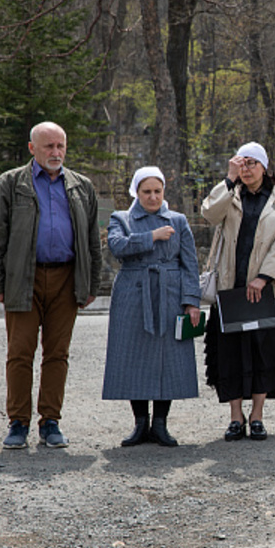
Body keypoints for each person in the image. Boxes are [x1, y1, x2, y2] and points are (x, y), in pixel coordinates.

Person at [0, 122, 102, 450]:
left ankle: (51, 422)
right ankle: (17, 422)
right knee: (19, 353)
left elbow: (93, 239)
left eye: (60, 145)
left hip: (66, 278)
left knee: (58, 353)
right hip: (23, 279)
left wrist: (93, 283)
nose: (56, 152)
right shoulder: (10, 183)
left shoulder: (81, 186)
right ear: (32, 148)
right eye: (48, 146)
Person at [201, 142, 275, 442]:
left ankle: (257, 416)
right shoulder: (228, 196)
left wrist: (265, 277)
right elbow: (208, 213)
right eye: (241, 164)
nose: (246, 169)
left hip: (265, 292)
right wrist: (228, 179)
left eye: (252, 163)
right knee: (230, 355)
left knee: (262, 355)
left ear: (265, 167)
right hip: (230, 288)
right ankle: (235, 417)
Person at [102, 167, 203, 447]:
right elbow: (116, 246)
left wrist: (191, 300)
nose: (153, 196)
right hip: (133, 294)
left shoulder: (178, 220)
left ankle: (160, 424)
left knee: (167, 357)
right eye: (146, 191)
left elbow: (190, 264)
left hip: (170, 293)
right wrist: (152, 237)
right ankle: (140, 423)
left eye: (157, 191)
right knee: (134, 356)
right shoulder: (121, 218)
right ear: (137, 191)